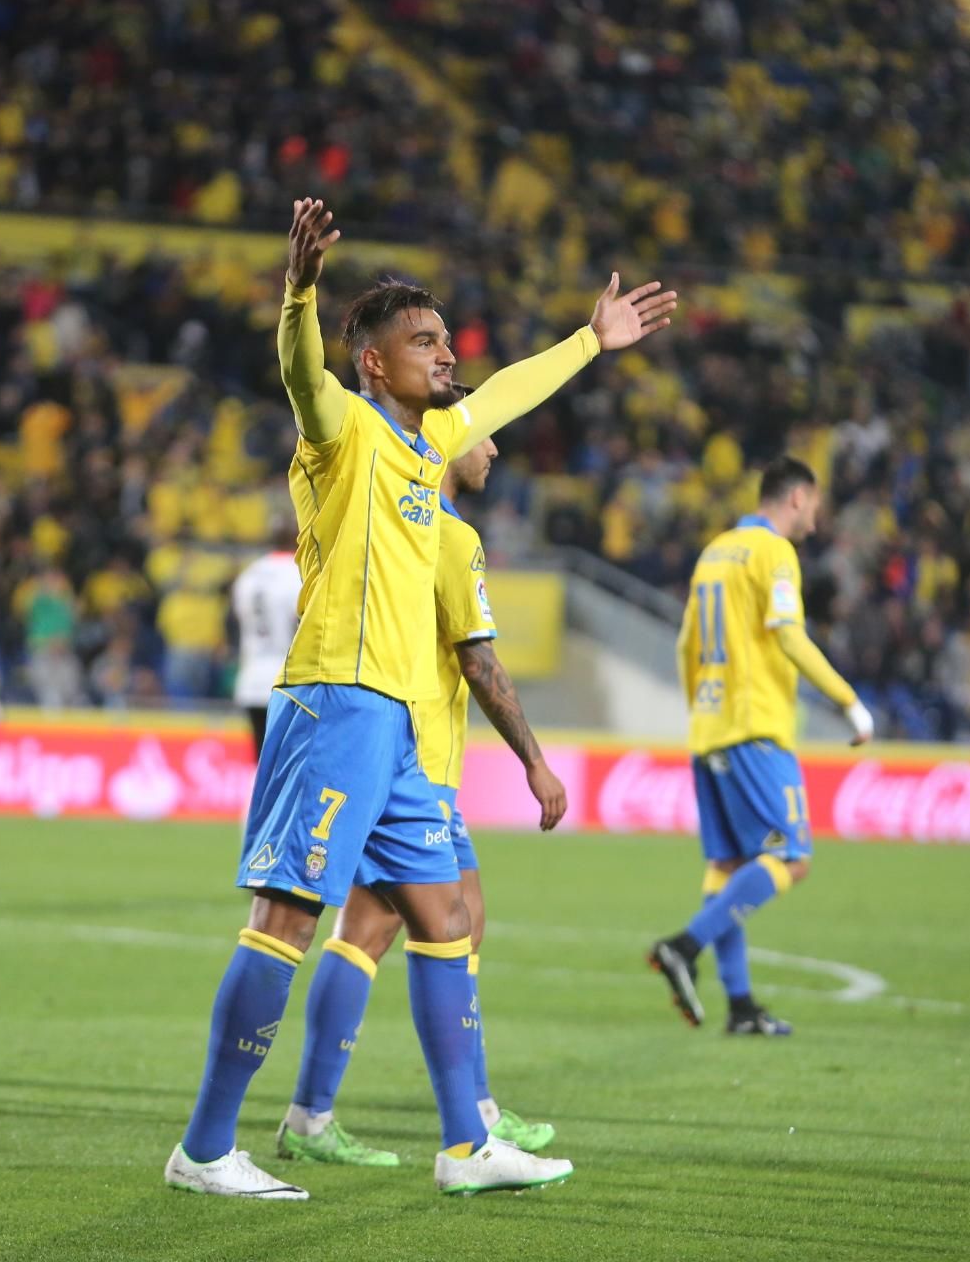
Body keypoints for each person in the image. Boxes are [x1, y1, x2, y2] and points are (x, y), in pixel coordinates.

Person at [164, 198, 674, 1200]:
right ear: (374, 363)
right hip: (336, 700)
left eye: (447, 340)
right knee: (287, 918)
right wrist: (300, 292)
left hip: (400, 724)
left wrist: (591, 340)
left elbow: (510, 391)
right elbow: (300, 374)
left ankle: (466, 1144)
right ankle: (207, 1147)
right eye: (425, 343)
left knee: (446, 917)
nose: (448, 356)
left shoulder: (428, 446)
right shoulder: (344, 431)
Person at [277, 428, 568, 1167]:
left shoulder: (394, 524)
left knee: (404, 927)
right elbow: (478, 660)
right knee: (414, 929)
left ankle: (335, 1116)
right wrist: (535, 762)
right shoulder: (448, 534)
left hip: (392, 753)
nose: (494, 450)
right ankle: (462, 1127)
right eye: (485, 437)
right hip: (419, 763)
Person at [648, 459, 873, 1031]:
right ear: (796, 498)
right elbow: (788, 634)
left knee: (728, 866)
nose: (816, 518)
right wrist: (848, 700)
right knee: (791, 858)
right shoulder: (774, 552)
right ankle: (684, 946)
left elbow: (685, 645)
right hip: (756, 730)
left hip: (710, 729)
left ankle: (741, 1007)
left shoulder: (715, 552)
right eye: (815, 504)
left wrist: (702, 709)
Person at [230, 521, 302, 759]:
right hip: (288, 681)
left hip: (251, 679)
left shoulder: (249, 575)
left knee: (263, 763)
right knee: (288, 764)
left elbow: (237, 620)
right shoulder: (298, 573)